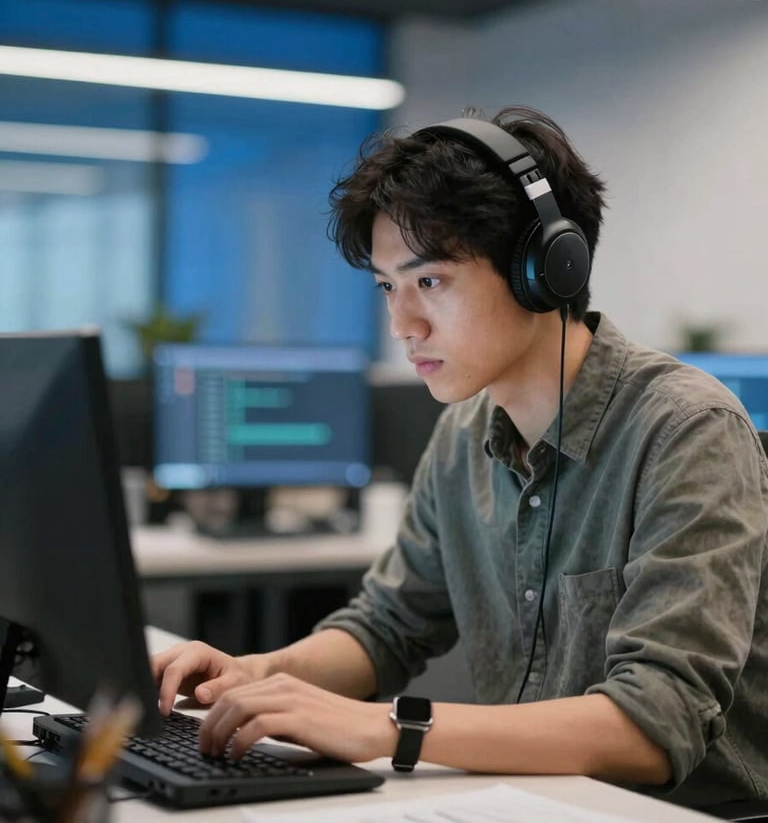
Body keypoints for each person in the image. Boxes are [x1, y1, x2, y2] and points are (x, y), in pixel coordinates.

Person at [153, 105, 768, 809]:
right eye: (389, 286)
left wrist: (388, 728)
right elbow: (388, 627)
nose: (402, 325)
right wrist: (254, 674)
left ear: (545, 269)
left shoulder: (687, 431)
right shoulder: (464, 433)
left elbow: (656, 724)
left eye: (431, 282)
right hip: (530, 805)